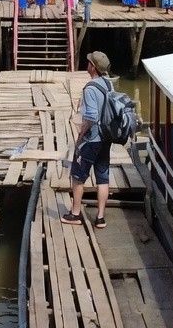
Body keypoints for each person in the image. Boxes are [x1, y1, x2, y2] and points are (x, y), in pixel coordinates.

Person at [61, 51, 115, 228]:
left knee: (78, 176)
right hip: (106, 138)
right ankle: (100, 218)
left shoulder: (90, 88)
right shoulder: (108, 84)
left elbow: (91, 116)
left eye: (89, 62)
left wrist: (81, 134)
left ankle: (75, 214)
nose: (87, 64)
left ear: (93, 67)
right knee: (103, 177)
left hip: (91, 139)